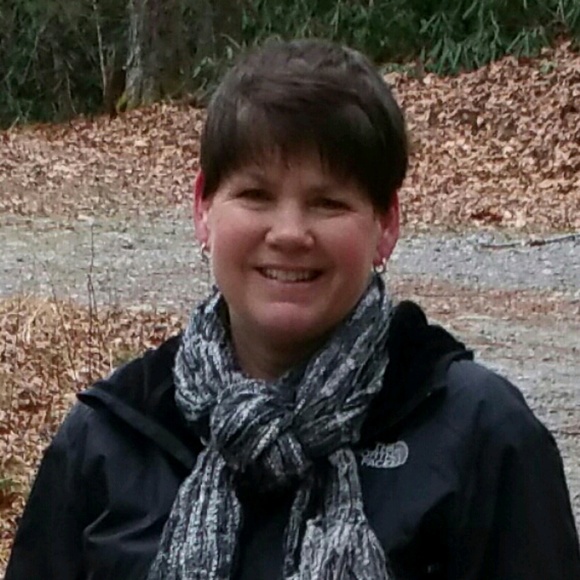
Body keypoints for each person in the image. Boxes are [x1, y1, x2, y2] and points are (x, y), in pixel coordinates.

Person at [5, 38, 580, 580]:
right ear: (203, 209)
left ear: (386, 224)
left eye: (328, 202)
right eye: (255, 195)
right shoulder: (111, 438)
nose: (289, 233)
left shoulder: (481, 437)